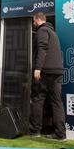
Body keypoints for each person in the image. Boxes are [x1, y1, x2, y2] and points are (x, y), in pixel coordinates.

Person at [29, 12, 66, 140]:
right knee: (57, 102)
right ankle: (61, 134)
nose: (33, 24)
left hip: (45, 72)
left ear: (38, 20)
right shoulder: (53, 33)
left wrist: (38, 68)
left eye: (34, 21)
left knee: (38, 99)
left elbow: (42, 48)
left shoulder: (42, 31)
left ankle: (35, 131)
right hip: (57, 71)